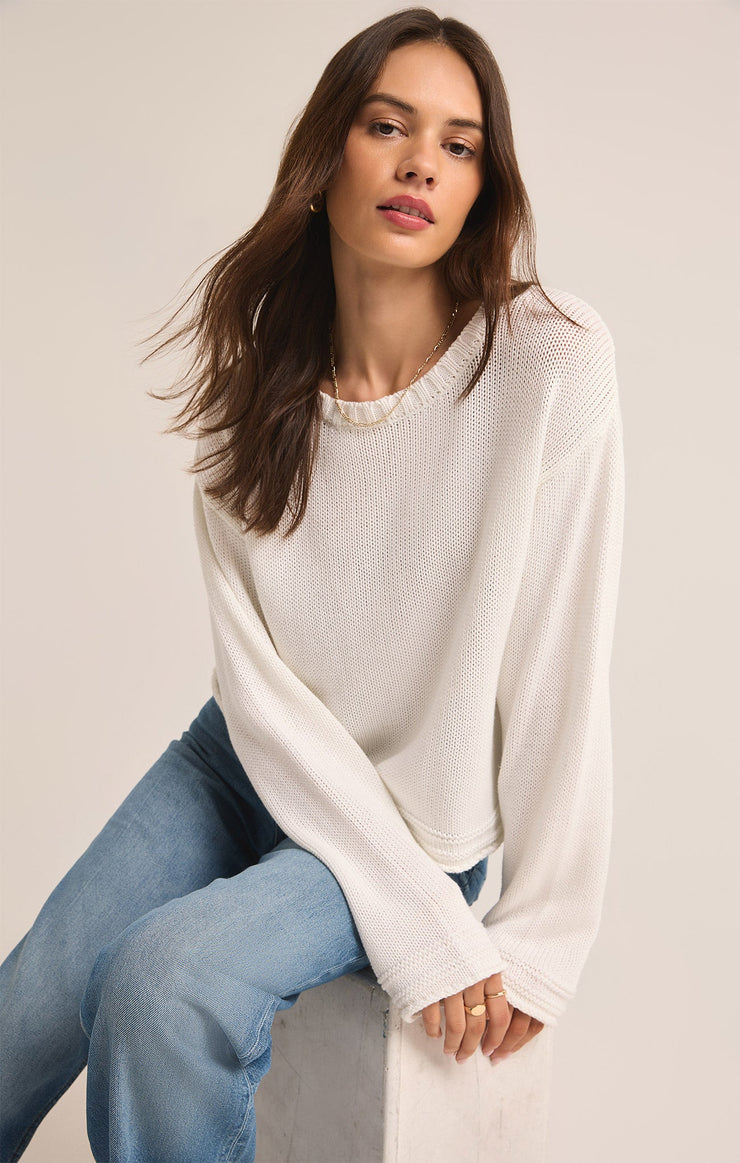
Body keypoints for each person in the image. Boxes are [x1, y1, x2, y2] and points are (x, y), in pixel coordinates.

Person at [0, 7, 625, 1161]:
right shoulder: (253, 396)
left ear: (481, 183)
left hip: (416, 819)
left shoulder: (545, 360)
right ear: (324, 152)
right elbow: (259, 693)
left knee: (161, 983)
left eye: (458, 143)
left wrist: (533, 934)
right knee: (25, 1005)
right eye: (386, 125)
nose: (419, 163)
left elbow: (559, 667)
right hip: (244, 760)